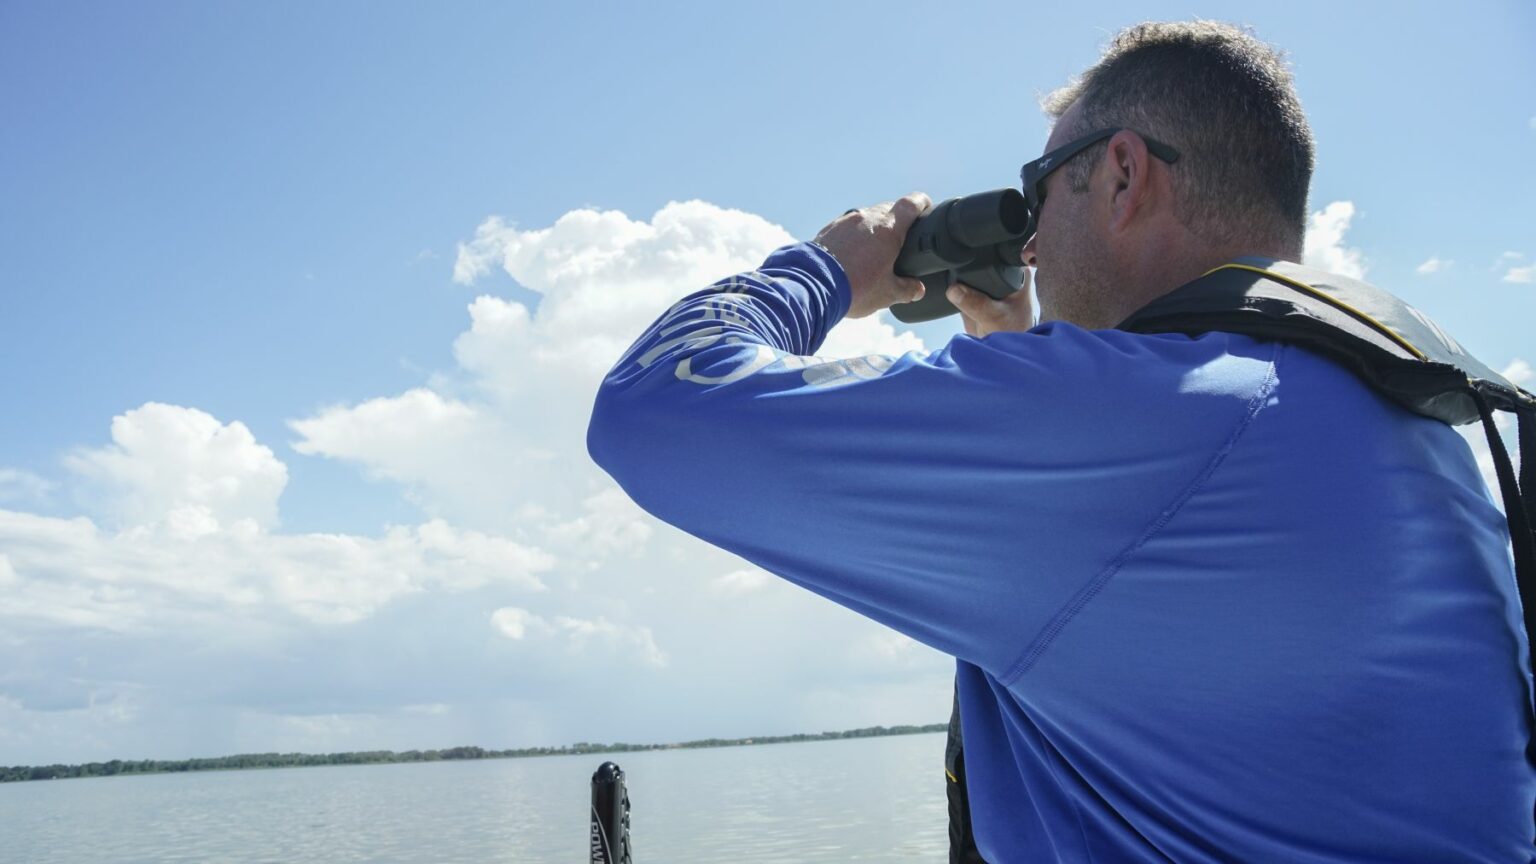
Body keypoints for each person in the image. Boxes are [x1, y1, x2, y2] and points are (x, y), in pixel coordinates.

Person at [587, 20, 1534, 862]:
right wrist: (1016, 348)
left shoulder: (1148, 425)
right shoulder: (1406, 412)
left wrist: (830, 266)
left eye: (1041, 190)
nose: (1030, 242)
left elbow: (654, 411)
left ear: (1122, 174)